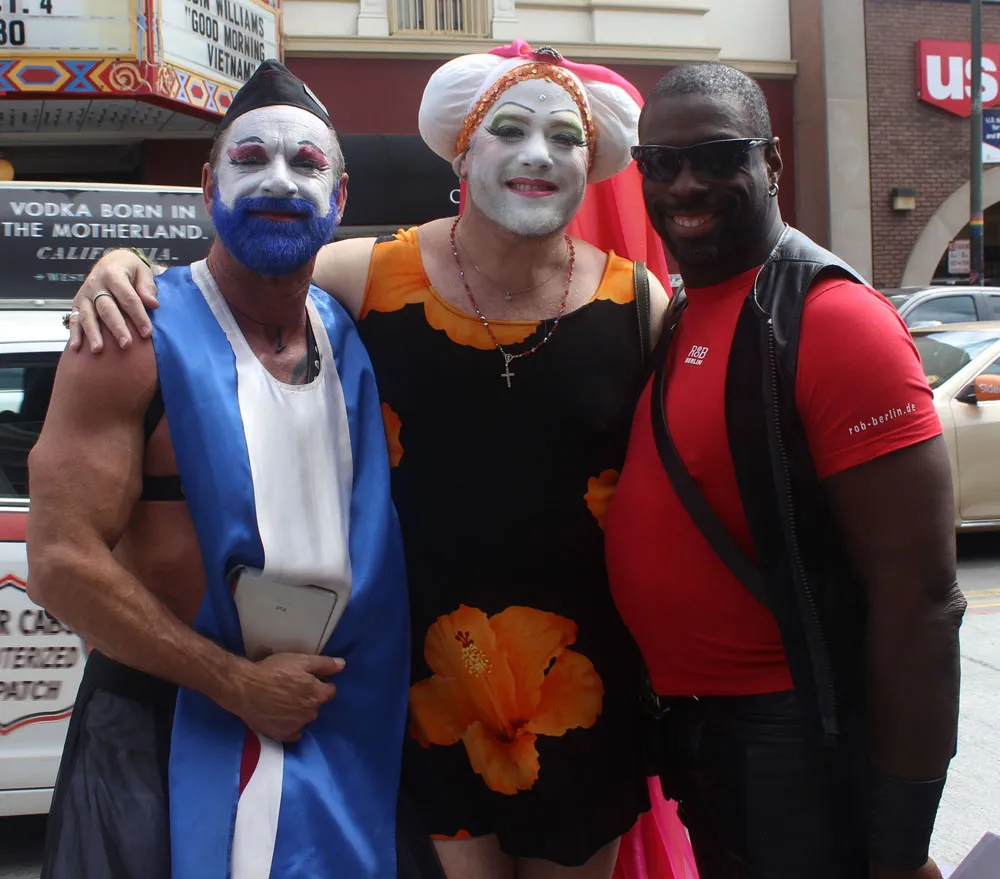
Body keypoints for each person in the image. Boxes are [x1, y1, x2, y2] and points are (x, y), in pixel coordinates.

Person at [63, 42, 696, 879]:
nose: (538, 155)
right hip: (421, 686)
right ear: (462, 154)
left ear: (592, 166)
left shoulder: (639, 302)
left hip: (582, 678)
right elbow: (235, 284)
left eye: (565, 138)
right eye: (509, 129)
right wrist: (121, 268)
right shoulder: (368, 276)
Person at [26, 60, 411, 879]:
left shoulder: (352, 325)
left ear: (339, 198)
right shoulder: (131, 336)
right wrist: (233, 682)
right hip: (164, 726)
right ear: (209, 185)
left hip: (328, 722)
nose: (280, 181)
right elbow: (61, 561)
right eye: (251, 158)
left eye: (307, 163)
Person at [605, 62, 966, 879]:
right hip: (705, 740)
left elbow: (922, 602)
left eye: (716, 156)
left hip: (796, 745)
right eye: (660, 162)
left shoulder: (832, 321)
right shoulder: (687, 307)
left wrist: (900, 847)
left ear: (770, 162)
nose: (685, 183)